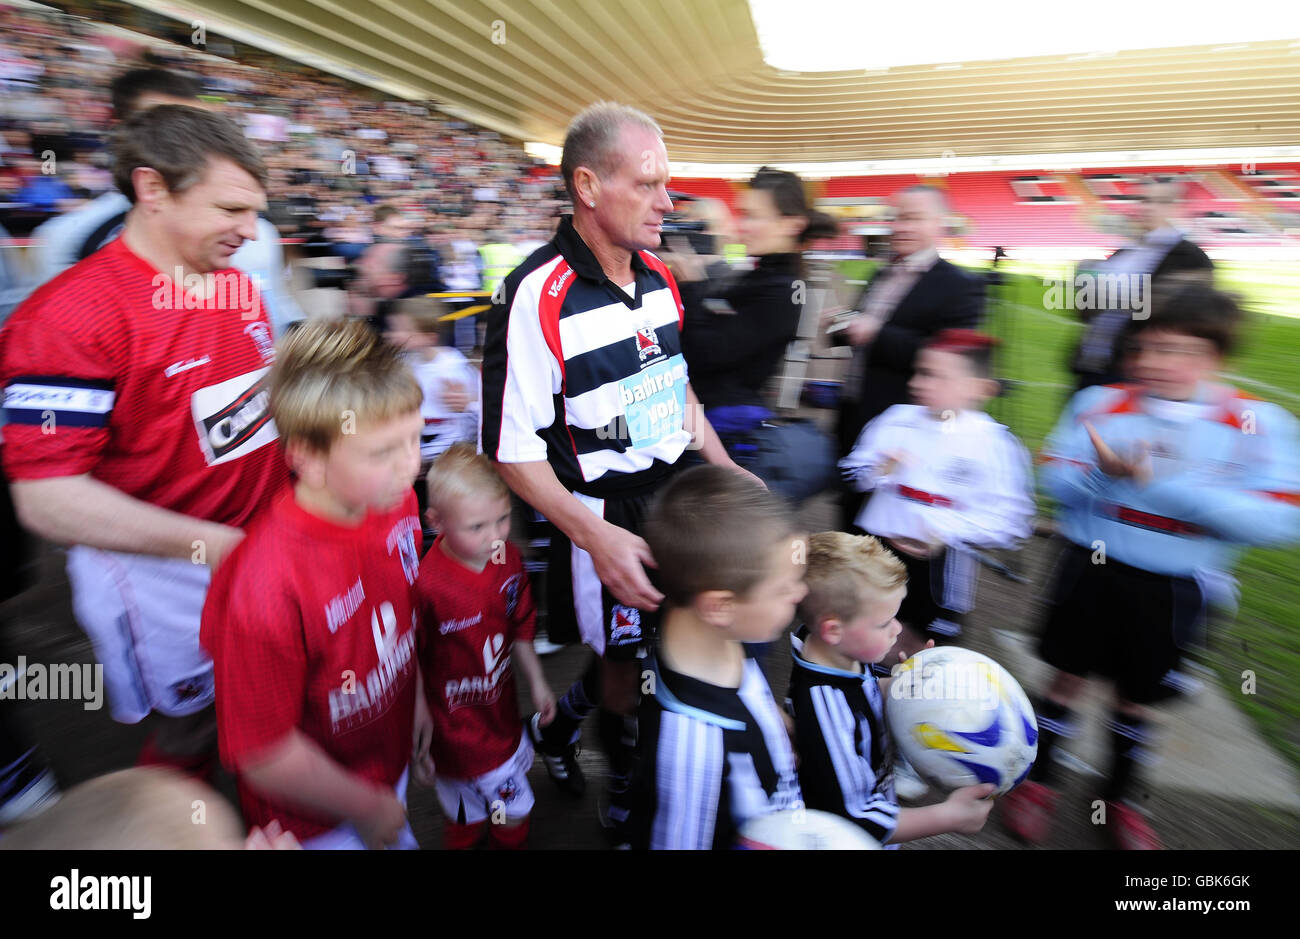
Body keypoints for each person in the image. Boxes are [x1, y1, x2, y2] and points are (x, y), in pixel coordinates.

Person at [479, 101, 759, 838]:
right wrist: (594, 537)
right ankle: (630, 804)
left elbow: (675, 389)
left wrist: (723, 465)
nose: (669, 202)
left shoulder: (661, 276)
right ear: (588, 186)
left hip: (674, 493)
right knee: (625, 674)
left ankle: (561, 728)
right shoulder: (533, 295)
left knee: (677, 641)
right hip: (601, 512)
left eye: (667, 184)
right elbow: (512, 451)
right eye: (648, 184)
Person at [1, 105, 290, 779]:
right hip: (168, 575)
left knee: (273, 709)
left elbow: (246, 412)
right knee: (194, 737)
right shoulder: (68, 317)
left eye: (255, 211)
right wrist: (215, 547)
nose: (252, 232)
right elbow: (47, 499)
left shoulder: (238, 288)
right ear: (153, 189)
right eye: (231, 209)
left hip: (258, 550)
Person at [1001, 283, 1300, 849]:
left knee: (1140, 699)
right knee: (1066, 678)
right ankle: (1038, 783)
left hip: (1177, 585)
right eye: (1148, 348)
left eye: (1178, 350)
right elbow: (1053, 481)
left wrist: (1164, 486)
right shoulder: (1100, 403)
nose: (1156, 363)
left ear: (1217, 357)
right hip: (1093, 567)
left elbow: (1278, 521)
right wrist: (1101, 477)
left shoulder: (1258, 423)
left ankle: (1122, 799)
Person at [200, 318, 428, 849]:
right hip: (315, 821)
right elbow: (262, 752)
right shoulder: (264, 586)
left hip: (381, 774)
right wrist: (365, 807)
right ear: (307, 456)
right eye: (383, 452)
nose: (410, 466)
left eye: (414, 439)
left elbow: (395, 620)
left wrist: (413, 698)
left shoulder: (397, 504)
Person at [25, 67, 305, 336]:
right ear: (122, 129)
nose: (186, 141)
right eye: (164, 123)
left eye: (198, 127)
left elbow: (276, 316)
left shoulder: (259, 234)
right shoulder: (70, 238)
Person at [630, 465, 807, 849]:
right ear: (720, 607)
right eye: (784, 589)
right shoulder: (693, 753)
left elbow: (747, 691)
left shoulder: (722, 637)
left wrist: (774, 723)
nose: (800, 594)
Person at [786, 531, 995, 846]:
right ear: (833, 629)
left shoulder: (842, 657)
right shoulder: (823, 708)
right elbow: (856, 818)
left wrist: (903, 684)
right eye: (885, 623)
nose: (898, 629)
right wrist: (949, 816)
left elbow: (862, 693)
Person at [839, 330, 1034, 656]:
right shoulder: (895, 419)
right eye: (919, 371)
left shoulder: (993, 443)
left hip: (939, 565)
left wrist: (943, 532)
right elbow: (852, 473)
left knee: (924, 647)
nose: (918, 382)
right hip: (877, 552)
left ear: (979, 388)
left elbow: (1012, 520)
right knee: (865, 632)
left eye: (935, 376)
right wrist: (879, 470)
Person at [413, 444, 555, 849]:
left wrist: (539, 682)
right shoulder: (427, 587)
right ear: (435, 521)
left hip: (500, 717)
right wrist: (417, 722)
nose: (495, 535)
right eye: (477, 526)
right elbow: (409, 658)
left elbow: (521, 623)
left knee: (471, 814)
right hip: (455, 734)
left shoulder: (508, 559)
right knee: (514, 812)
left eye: (504, 519)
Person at [833, 185, 984, 529]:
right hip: (854, 415)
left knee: (893, 527)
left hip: (906, 429)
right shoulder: (881, 273)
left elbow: (950, 359)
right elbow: (861, 336)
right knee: (851, 517)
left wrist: (875, 332)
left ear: (939, 223)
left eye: (912, 218)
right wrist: (842, 325)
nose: (900, 227)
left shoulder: (959, 284)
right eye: (895, 218)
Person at [676, 166, 838, 433]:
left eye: (752, 216)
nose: (744, 226)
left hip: (719, 426)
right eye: (743, 215)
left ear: (792, 225)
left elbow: (705, 352)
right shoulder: (763, 275)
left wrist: (691, 286)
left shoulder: (784, 289)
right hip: (704, 416)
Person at [1070, 176, 1213, 391]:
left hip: (1138, 373)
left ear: (1178, 207)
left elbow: (1186, 318)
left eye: (1160, 201)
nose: (1148, 207)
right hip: (1091, 366)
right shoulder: (1125, 251)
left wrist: (1118, 295)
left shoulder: (1191, 258)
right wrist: (1085, 284)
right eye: (1143, 200)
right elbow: (1086, 312)